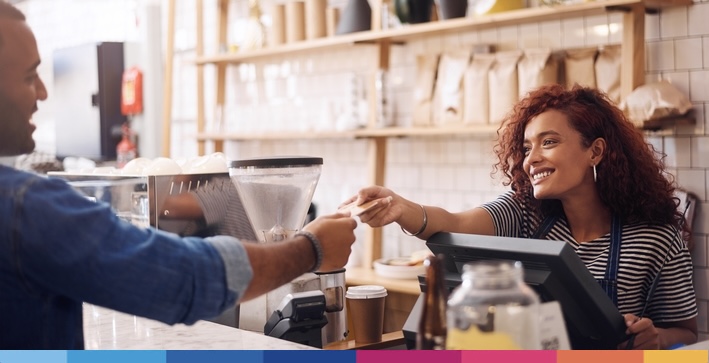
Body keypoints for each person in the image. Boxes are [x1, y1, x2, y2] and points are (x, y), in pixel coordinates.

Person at [0, 1, 357, 349]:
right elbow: (181, 277)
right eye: (30, 76)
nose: (44, 93)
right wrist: (312, 248)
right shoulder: (24, 208)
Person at [344, 84, 698, 350]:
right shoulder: (524, 213)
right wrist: (402, 208)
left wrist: (656, 338)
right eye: (527, 147)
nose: (531, 160)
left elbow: (687, 333)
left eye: (549, 142)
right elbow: (457, 224)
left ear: (596, 151)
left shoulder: (656, 238)